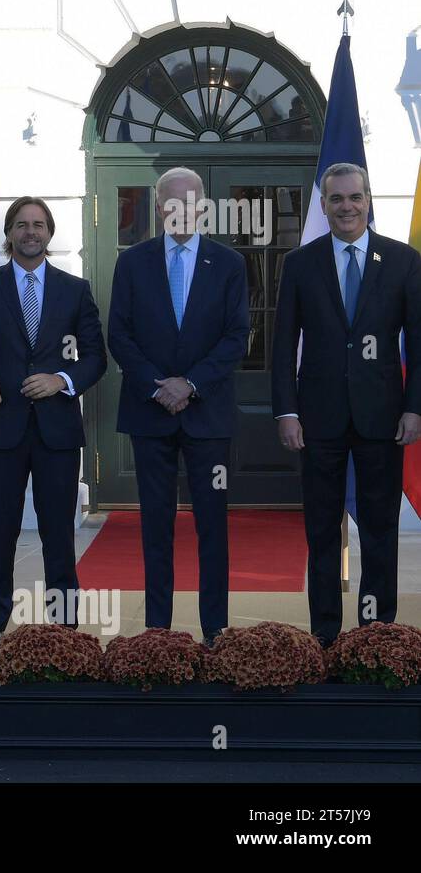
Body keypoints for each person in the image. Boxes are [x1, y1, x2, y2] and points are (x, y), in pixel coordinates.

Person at [0, 197, 107, 652]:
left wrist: (62, 379)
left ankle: (64, 633)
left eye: (38, 225)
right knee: (1, 532)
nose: (30, 232)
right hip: (1, 430)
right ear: (9, 234)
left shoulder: (75, 290)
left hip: (58, 432)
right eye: (21, 225)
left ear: (49, 234)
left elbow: (96, 358)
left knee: (58, 532)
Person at [272, 162, 421, 646]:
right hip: (318, 419)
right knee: (320, 532)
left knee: (379, 530)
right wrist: (286, 411)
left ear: (369, 200)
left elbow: (418, 343)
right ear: (323, 205)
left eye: (355, 197)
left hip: (384, 418)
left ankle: (376, 635)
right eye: (336, 199)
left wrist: (414, 407)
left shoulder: (402, 261)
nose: (346, 207)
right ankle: (325, 636)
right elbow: (281, 346)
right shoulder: (300, 263)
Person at [106, 168, 249, 647]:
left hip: (208, 418)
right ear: (159, 206)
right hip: (151, 415)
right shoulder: (133, 263)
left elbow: (236, 338)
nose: (181, 211)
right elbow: (119, 335)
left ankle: (215, 631)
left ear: (203, 206)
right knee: (155, 525)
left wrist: (189, 384)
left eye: (190, 203)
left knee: (213, 526)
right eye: (172, 203)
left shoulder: (228, 263)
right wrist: (158, 386)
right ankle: (158, 632)